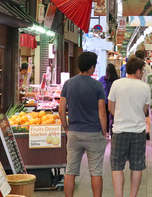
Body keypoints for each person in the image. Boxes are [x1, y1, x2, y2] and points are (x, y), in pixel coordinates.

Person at [59, 52, 108, 197]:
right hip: (94, 133)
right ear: (92, 67)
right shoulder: (97, 85)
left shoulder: (68, 84)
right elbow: (102, 112)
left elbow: (61, 111)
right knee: (96, 172)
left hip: (74, 132)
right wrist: (104, 132)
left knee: (70, 170)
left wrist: (67, 128)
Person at [108, 58, 151, 197]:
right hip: (138, 131)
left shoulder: (117, 84)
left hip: (120, 131)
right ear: (138, 71)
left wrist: (121, 115)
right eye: (142, 71)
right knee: (137, 166)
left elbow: (110, 106)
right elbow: (145, 110)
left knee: (117, 166)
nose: (143, 73)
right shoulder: (145, 87)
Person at [99, 63, 120, 136]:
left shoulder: (102, 79)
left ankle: (106, 131)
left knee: (105, 116)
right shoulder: (118, 80)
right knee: (113, 117)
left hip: (104, 100)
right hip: (114, 101)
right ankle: (112, 132)